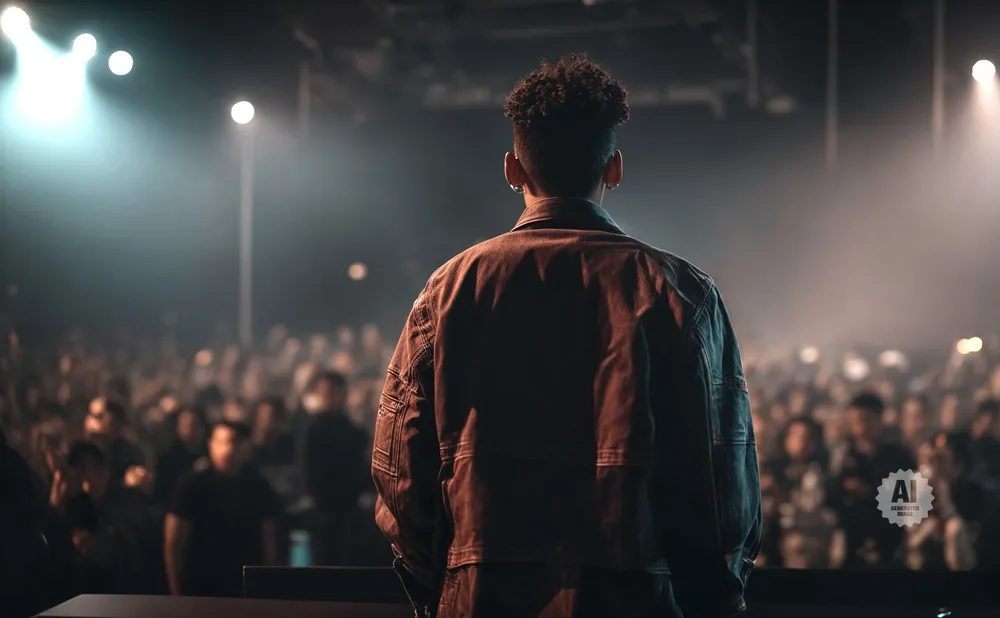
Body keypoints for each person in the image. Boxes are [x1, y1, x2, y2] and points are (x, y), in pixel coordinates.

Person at [371, 55, 761, 618]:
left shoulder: (448, 291)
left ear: (512, 169)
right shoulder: (680, 293)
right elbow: (725, 486)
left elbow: (400, 476)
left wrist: (446, 586)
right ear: (616, 168)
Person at [164, 421, 279, 597]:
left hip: (245, 588)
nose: (228, 450)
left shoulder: (259, 486)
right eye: (221, 442)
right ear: (211, 445)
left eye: (235, 442)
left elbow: (268, 540)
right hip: (200, 587)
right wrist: (176, 593)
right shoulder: (192, 485)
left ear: (246, 447)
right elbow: (173, 542)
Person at [303, 372, 368, 565]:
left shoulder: (355, 431)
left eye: (333, 391)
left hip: (350, 510)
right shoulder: (311, 430)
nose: (329, 397)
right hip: (322, 511)